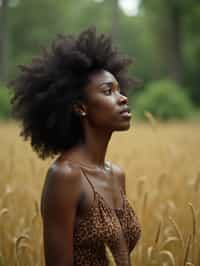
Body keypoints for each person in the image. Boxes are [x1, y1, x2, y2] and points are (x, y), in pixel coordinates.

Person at [10, 27, 141, 266]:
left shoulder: (117, 175)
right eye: (108, 91)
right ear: (80, 107)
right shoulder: (65, 176)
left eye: (120, 89)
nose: (122, 98)